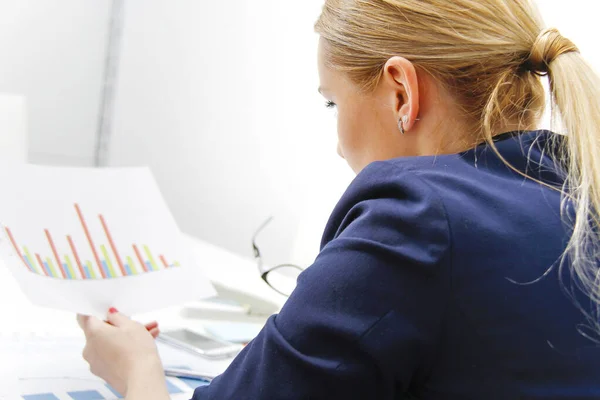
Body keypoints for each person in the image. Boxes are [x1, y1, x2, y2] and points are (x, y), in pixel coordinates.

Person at [76, 0, 600, 398]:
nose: (336, 145)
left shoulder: (417, 217)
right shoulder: (577, 193)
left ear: (401, 92)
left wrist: (137, 372)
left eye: (332, 102)